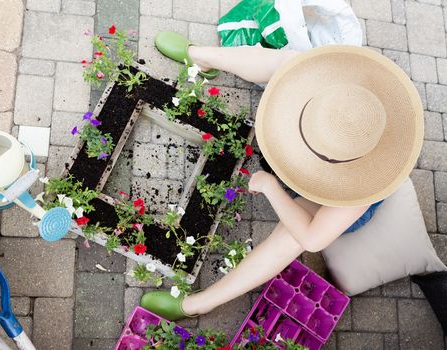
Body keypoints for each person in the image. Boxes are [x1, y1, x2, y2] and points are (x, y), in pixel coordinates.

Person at [140, 32, 424, 321]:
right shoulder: (353, 101)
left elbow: (313, 239)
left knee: (291, 237)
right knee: (290, 64)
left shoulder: (361, 187)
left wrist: (270, 186)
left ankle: (199, 304)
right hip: (325, 127)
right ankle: (201, 56)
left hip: (333, 202)